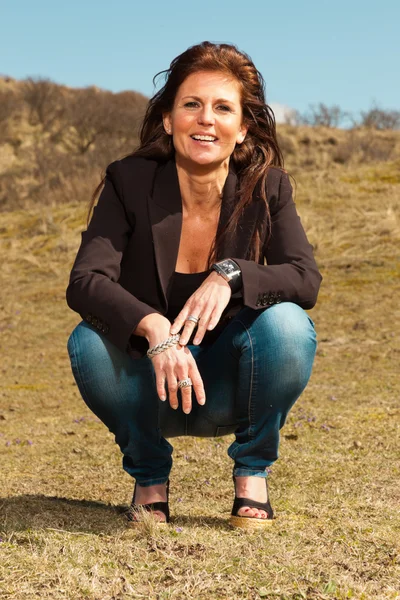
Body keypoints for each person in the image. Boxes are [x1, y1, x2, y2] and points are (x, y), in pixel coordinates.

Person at [66, 41, 322, 530]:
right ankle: (149, 478)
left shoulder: (269, 187)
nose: (206, 119)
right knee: (88, 342)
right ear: (168, 119)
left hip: (230, 388)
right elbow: (86, 280)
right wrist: (152, 326)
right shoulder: (129, 181)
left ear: (242, 126)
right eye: (192, 104)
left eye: (223, 108)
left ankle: (252, 473)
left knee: (290, 325)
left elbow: (305, 278)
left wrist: (232, 274)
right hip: (147, 386)